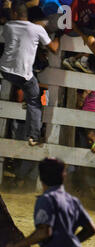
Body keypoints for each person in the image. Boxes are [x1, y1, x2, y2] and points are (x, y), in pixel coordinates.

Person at [5, 157, 95, 247]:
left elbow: (44, 232)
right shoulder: (72, 200)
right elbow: (91, 229)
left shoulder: (46, 200)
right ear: (63, 176)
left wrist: (17, 246)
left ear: (41, 177)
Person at [0, 1, 59, 146]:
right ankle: (34, 136)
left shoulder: (8, 27)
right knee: (34, 102)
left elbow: (10, 18)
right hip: (24, 75)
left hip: (5, 71)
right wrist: (58, 37)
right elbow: (54, 49)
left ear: (14, 14)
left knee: (28, 87)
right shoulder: (37, 29)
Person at [62, 0, 95, 74]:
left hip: (82, 27)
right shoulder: (76, 3)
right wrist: (83, 35)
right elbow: (72, 24)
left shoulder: (92, 2)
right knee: (91, 35)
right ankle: (83, 60)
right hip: (70, 29)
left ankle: (72, 59)